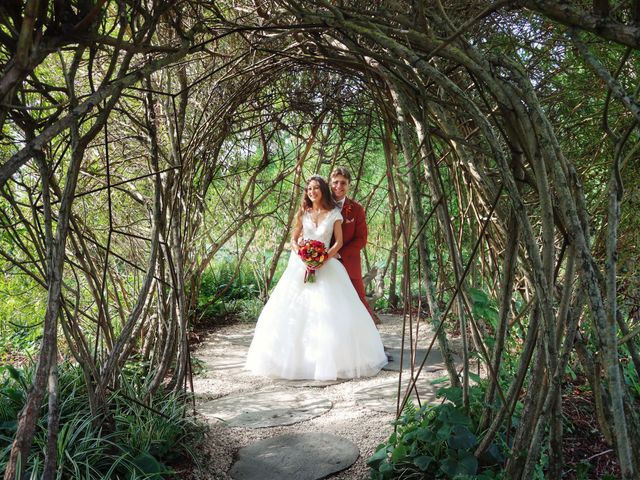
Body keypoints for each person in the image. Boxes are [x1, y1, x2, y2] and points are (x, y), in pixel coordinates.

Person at [245, 175, 387, 380]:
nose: (312, 192)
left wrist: (323, 259)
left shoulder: (334, 214)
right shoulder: (304, 212)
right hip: (300, 265)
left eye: (316, 188)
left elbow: (338, 242)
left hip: (327, 265)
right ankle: (294, 362)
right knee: (294, 311)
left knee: (331, 312)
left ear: (323, 190)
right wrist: (301, 253)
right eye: (309, 189)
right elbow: (294, 239)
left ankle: (337, 361)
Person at [329, 167, 380, 326]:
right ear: (330, 184)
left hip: (349, 263)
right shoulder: (322, 205)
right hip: (326, 264)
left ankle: (371, 345)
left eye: (343, 183)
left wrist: (339, 253)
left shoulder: (357, 209)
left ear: (349, 185)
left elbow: (361, 239)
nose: (339, 186)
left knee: (359, 303)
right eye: (335, 182)